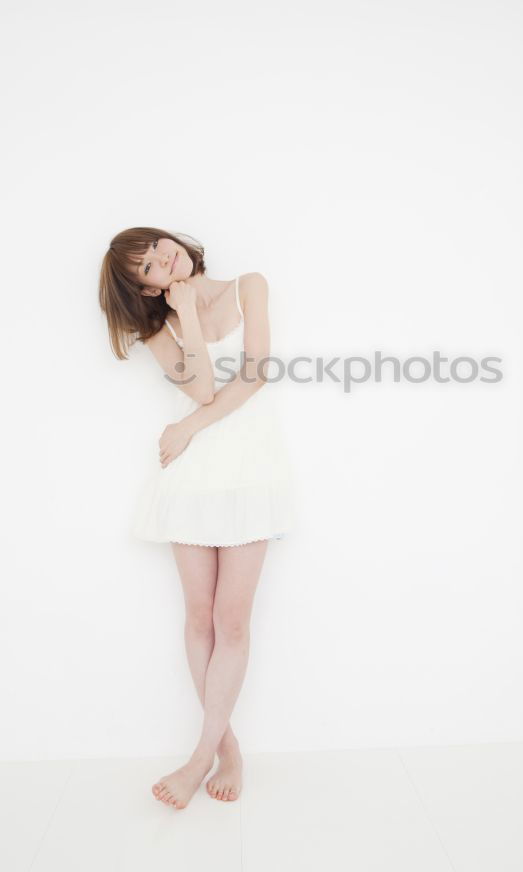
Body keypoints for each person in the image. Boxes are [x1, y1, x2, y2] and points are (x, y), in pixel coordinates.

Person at [98, 227, 294, 810]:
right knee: (200, 618)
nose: (164, 258)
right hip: (192, 481)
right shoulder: (160, 331)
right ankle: (224, 746)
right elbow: (205, 385)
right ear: (149, 290)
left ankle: (198, 758)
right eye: (150, 268)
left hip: (249, 471)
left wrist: (186, 427)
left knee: (233, 620)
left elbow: (255, 374)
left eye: (158, 247)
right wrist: (181, 316)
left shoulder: (248, 287)